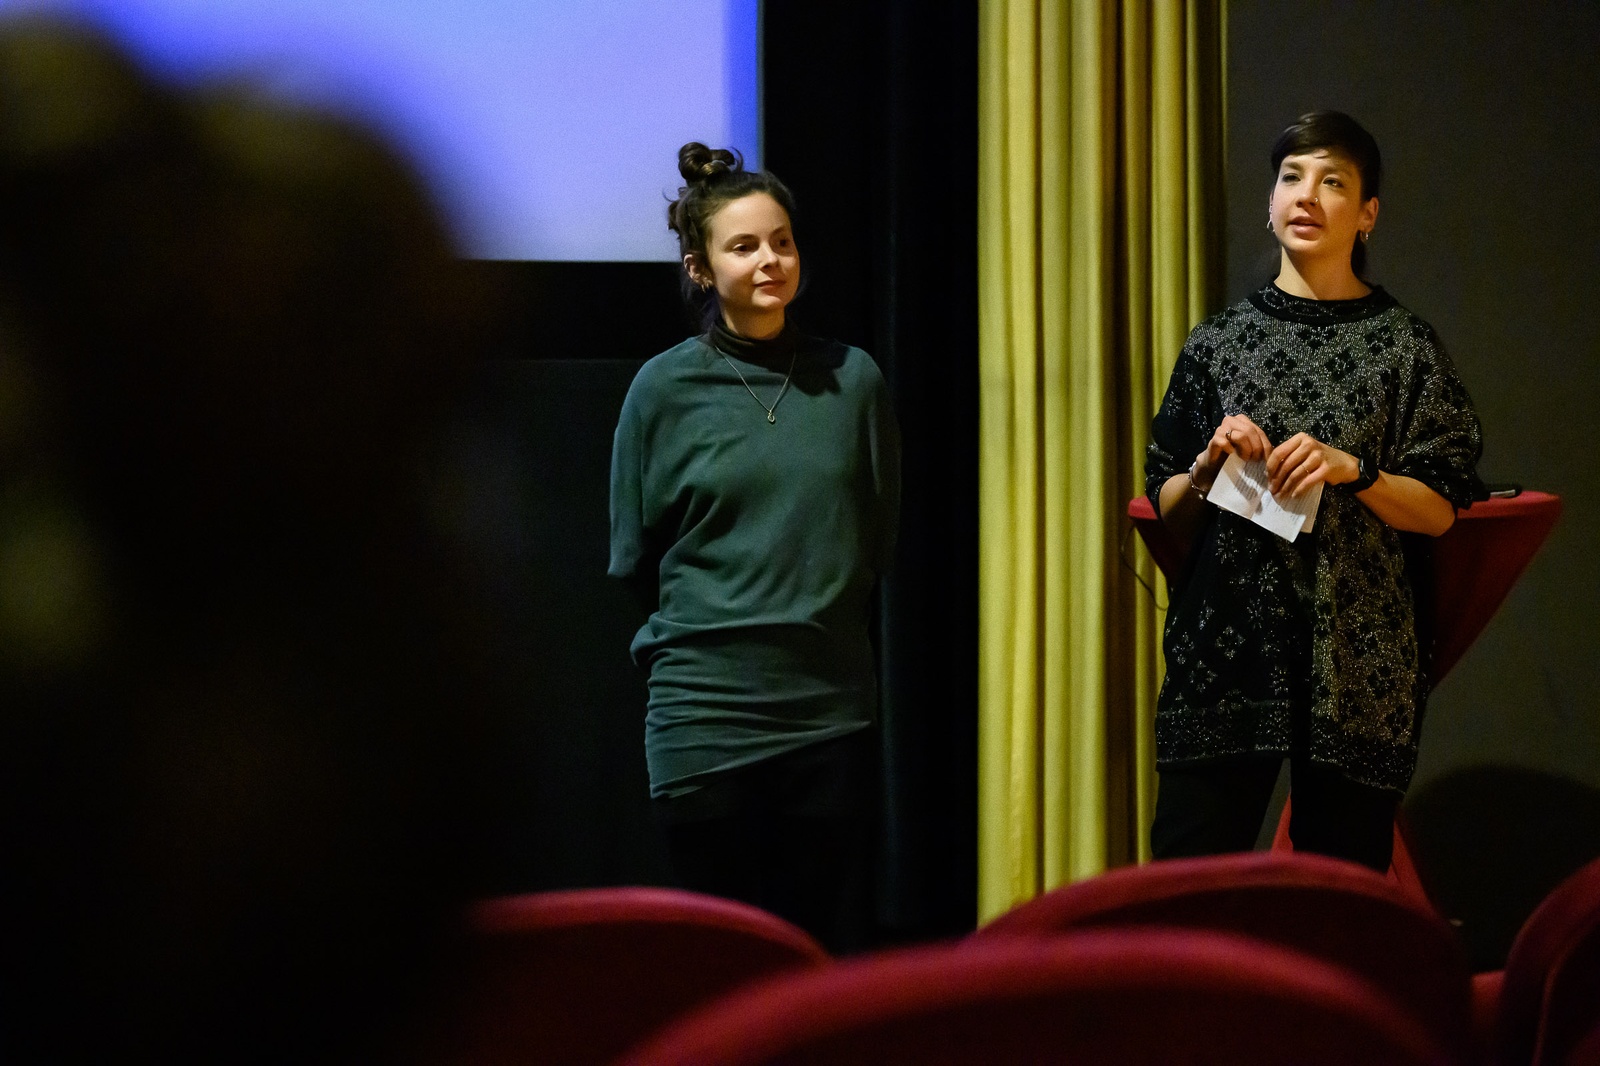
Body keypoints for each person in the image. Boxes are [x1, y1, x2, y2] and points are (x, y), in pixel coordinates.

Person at [1144, 111, 1485, 873]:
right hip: (1224, 654)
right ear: (1270, 202)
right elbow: (1165, 504)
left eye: (1333, 182)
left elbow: (1439, 506)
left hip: (1359, 664)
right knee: (1188, 888)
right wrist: (1203, 471)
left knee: (1339, 905)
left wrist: (1352, 469)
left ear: (1367, 214)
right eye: (1292, 178)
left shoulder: (1406, 346)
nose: (1307, 195)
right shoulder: (1216, 341)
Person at [608, 143, 900, 951]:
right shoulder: (662, 389)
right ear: (702, 268)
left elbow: (875, 538)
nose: (770, 259)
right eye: (744, 246)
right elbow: (633, 556)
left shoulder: (855, 380)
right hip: (706, 719)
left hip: (828, 717)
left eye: (782, 241)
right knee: (722, 965)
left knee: (817, 963)